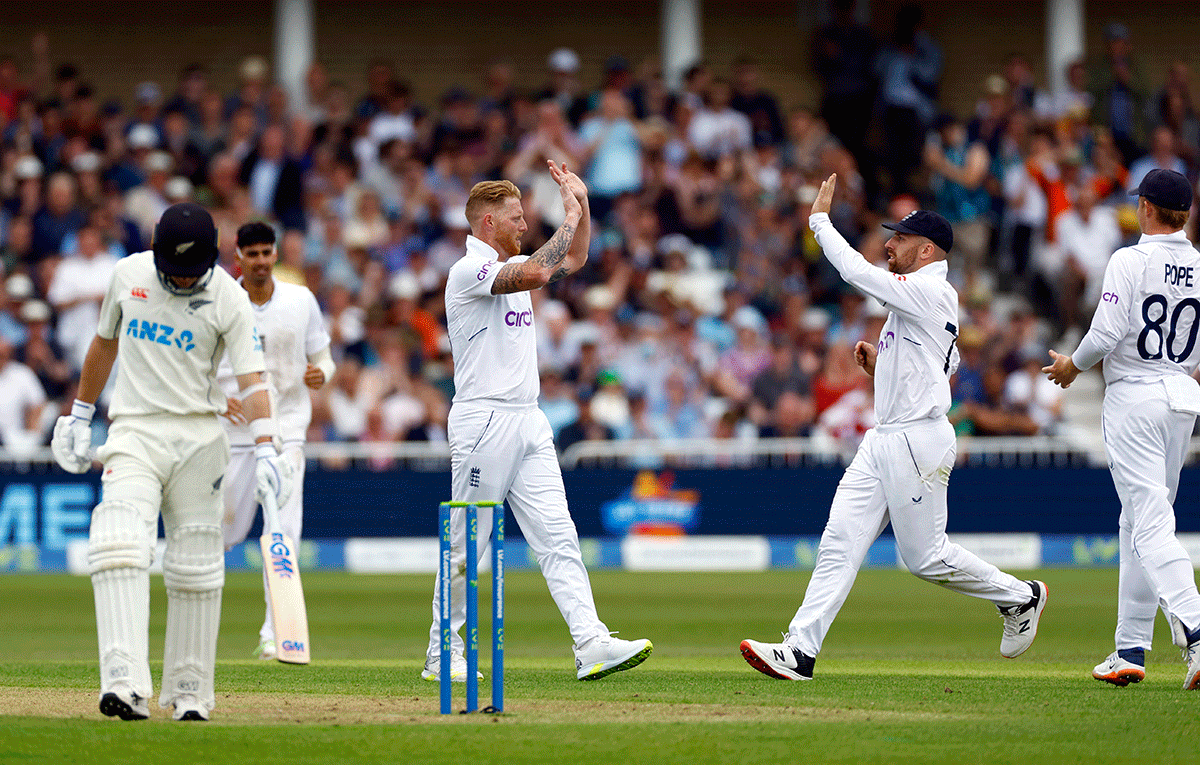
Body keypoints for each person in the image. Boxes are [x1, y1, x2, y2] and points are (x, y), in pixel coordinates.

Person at [740, 174, 1046, 681]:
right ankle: (799, 650)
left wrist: (819, 222)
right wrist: (878, 370)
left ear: (926, 250)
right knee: (839, 540)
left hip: (916, 439)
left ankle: (1021, 596)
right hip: (885, 437)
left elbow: (859, 274)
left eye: (899, 239)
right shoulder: (918, 300)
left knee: (925, 559)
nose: (889, 244)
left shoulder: (931, 291)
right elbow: (939, 371)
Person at [49, 203, 292, 721]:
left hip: (199, 437)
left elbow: (252, 379)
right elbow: (104, 343)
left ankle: (189, 692)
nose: (182, 279)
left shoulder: (229, 296)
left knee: (198, 565)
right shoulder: (127, 274)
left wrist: (268, 444)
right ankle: (123, 682)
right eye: (174, 270)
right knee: (117, 543)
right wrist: (79, 413)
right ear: (155, 249)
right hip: (134, 429)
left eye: (192, 271)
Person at [425, 162, 652, 683]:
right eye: (516, 217)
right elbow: (540, 271)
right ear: (487, 224)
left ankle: (591, 642)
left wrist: (584, 204)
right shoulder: (470, 271)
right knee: (467, 541)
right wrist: (567, 216)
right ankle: (443, 652)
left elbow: (574, 257)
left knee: (559, 535)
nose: (525, 224)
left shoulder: (519, 264)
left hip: (529, 420)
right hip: (485, 421)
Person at [1043, 169, 1200, 690]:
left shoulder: (1130, 260)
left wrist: (1071, 366)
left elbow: (1106, 331)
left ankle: (1196, 629)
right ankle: (1130, 648)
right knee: (1139, 520)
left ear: (1147, 209)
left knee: (1149, 520)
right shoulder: (1199, 266)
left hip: (1135, 394)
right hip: (1181, 395)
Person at [217, 222, 334, 660]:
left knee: (283, 531)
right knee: (223, 531)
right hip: (233, 435)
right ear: (239, 256)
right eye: (253, 254)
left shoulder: (300, 300)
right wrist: (217, 398)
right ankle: (200, 622)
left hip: (287, 432)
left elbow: (322, 356)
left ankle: (275, 633)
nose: (262, 261)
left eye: (268, 252)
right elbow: (196, 364)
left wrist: (324, 373)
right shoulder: (219, 300)